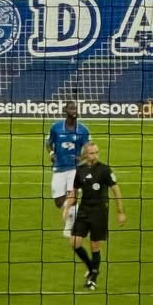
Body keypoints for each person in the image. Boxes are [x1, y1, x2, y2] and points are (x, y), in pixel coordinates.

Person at [63, 142, 125, 291]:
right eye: (92, 153)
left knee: (95, 245)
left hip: (99, 212)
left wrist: (120, 211)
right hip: (84, 210)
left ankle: (93, 279)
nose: (95, 155)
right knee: (75, 242)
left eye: (97, 152)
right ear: (85, 155)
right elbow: (74, 192)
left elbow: (116, 190)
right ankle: (92, 268)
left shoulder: (104, 170)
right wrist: (66, 208)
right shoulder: (80, 170)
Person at [45, 102, 90, 238]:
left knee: (72, 196)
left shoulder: (83, 130)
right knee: (59, 202)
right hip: (58, 168)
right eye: (71, 108)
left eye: (75, 108)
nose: (74, 110)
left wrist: (81, 158)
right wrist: (51, 153)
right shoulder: (56, 127)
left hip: (74, 169)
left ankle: (70, 225)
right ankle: (76, 212)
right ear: (65, 111)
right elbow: (48, 143)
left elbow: (89, 148)